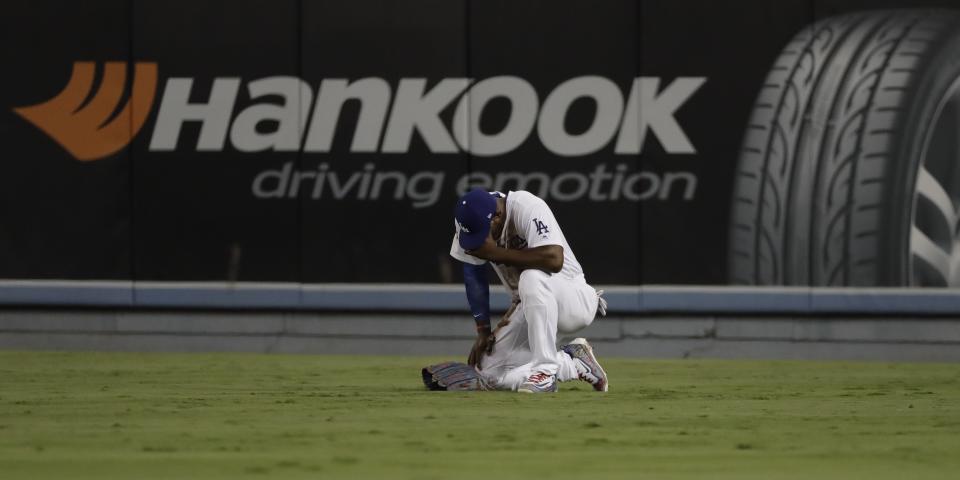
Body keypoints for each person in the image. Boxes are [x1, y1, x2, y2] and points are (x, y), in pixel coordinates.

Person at [450, 188, 608, 393]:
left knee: (531, 276)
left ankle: (546, 370)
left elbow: (554, 259)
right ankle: (571, 362)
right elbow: (473, 271)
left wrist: (497, 253)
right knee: (487, 373)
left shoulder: (526, 206)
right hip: (531, 307)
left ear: (497, 217)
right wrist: (483, 330)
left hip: (573, 298)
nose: (478, 242)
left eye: (481, 234)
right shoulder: (470, 219)